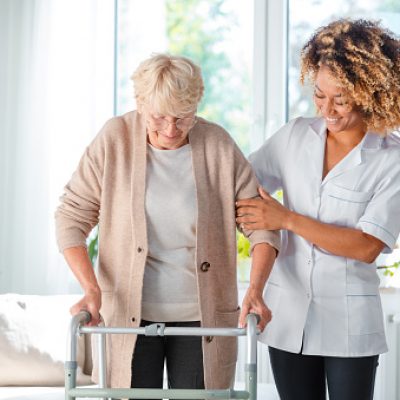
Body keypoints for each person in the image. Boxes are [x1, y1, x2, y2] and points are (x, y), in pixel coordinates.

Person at [55, 54, 280, 391]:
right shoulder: (115, 138)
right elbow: (71, 216)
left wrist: (256, 290)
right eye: (158, 117)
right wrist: (91, 288)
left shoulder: (217, 144)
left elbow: (262, 225)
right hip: (127, 317)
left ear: (196, 106)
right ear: (141, 104)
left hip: (202, 320)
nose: (171, 129)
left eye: (183, 117)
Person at [236, 19, 400, 400]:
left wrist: (286, 219)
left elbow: (366, 246)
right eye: (320, 95)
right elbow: (241, 183)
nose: (327, 109)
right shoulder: (295, 135)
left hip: (349, 324)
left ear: (372, 93)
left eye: (340, 99)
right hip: (287, 314)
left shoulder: (391, 160)